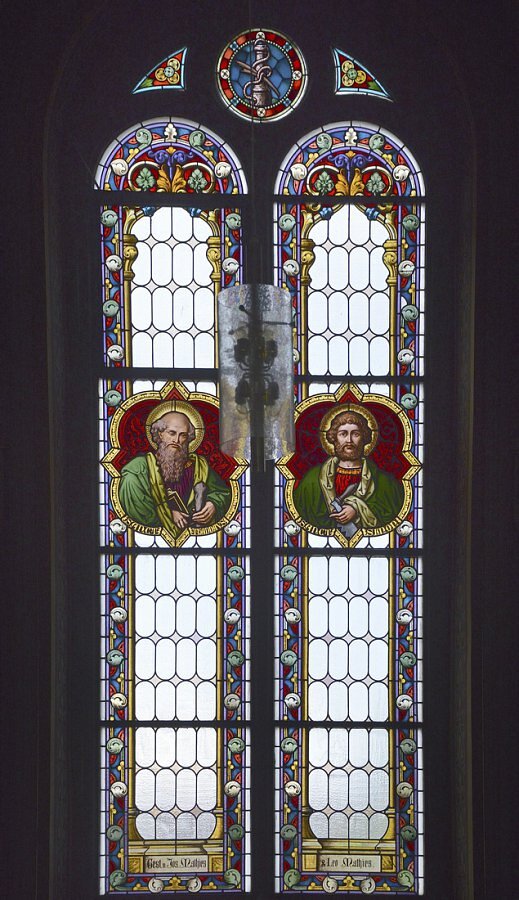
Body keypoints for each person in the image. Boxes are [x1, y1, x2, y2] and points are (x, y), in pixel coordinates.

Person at [118, 401, 231, 539]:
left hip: (199, 538)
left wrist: (213, 505)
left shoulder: (199, 466)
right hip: (148, 539)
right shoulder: (138, 468)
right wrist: (169, 514)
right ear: (160, 434)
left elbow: (222, 493)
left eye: (183, 435)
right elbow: (135, 505)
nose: (176, 440)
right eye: (171, 433)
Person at [292, 407, 404, 533]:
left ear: (364, 438)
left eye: (356, 434)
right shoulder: (312, 480)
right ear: (334, 438)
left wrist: (357, 509)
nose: (349, 440)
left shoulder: (384, 482)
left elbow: (391, 513)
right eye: (343, 434)